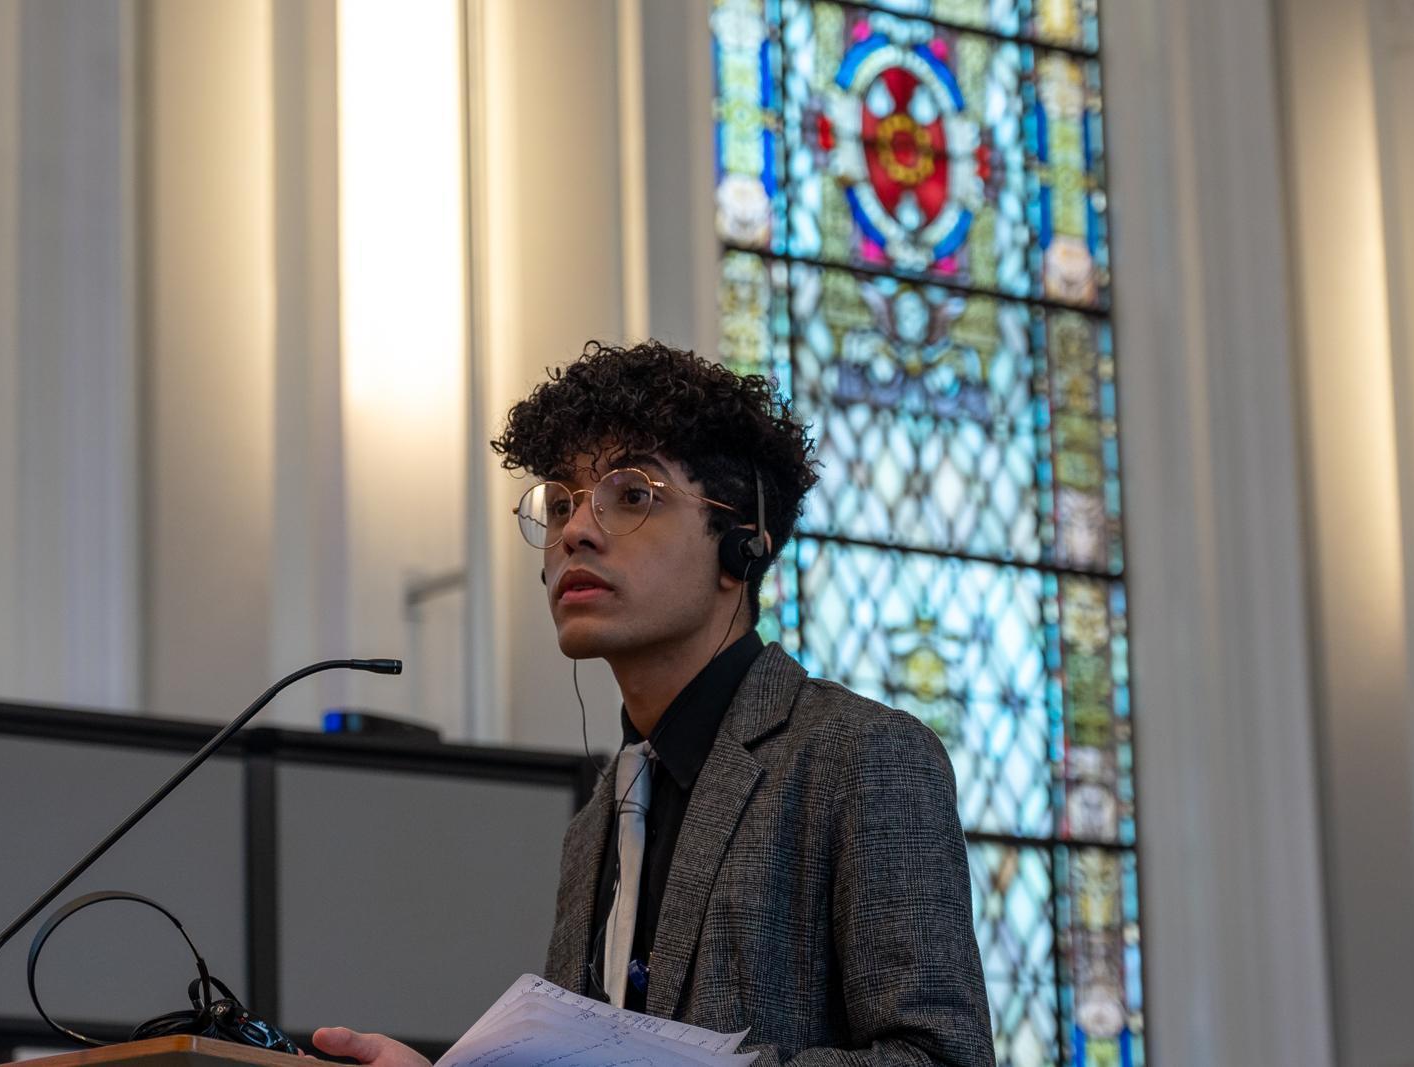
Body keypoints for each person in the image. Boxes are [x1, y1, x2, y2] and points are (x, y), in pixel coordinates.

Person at [314, 341, 992, 1066]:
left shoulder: (863, 756)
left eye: (631, 494)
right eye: (561, 502)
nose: (573, 530)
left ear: (742, 547)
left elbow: (940, 1058)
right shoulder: (594, 822)